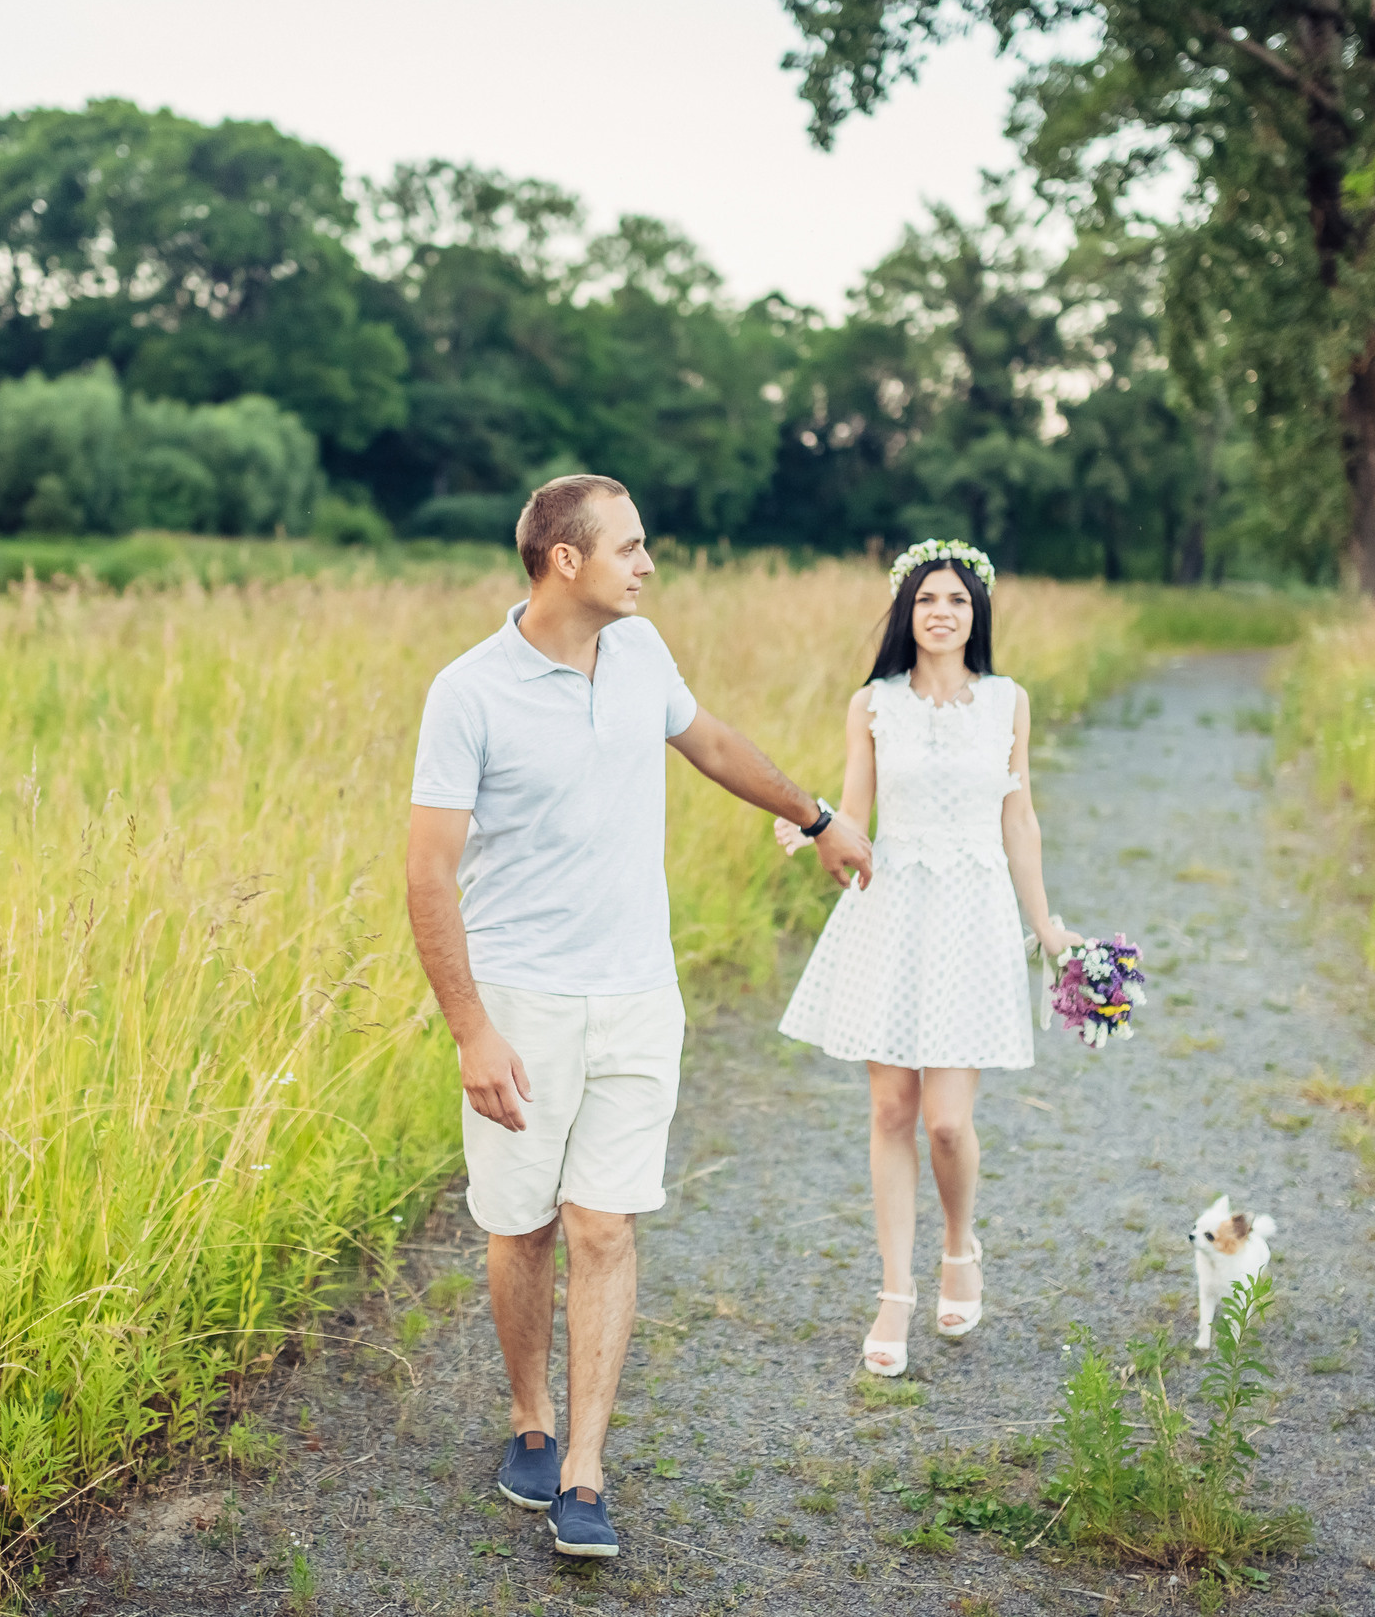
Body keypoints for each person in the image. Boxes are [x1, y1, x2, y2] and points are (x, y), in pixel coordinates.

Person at [405, 475, 874, 1560]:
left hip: (637, 992)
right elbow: (429, 872)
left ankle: (584, 1469)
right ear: (563, 559)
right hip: (520, 997)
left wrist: (818, 816)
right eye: (629, 546)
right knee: (519, 1222)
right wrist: (471, 1026)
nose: (647, 562)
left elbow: (710, 742)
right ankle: (530, 1416)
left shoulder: (643, 653)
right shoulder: (467, 691)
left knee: (603, 1222)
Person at [773, 541, 1084, 1378]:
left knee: (946, 1121)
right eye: (925, 600)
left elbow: (1020, 821)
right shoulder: (872, 703)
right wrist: (814, 828)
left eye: (955, 598)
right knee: (890, 1109)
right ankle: (894, 1294)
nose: (940, 611)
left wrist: (1047, 927)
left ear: (976, 611)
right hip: (891, 907)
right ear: (905, 615)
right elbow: (856, 813)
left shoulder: (1008, 702)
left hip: (974, 914)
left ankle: (958, 1244)